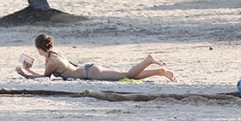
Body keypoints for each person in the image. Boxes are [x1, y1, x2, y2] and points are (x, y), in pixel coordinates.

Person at [16, 33, 177, 82]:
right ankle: (160, 72)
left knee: (127, 75)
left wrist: (25, 74)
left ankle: (148, 60)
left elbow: (45, 78)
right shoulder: (54, 54)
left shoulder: (51, 61)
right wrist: (29, 71)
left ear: (39, 48)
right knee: (125, 76)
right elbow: (47, 75)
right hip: (89, 69)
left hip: (91, 73)